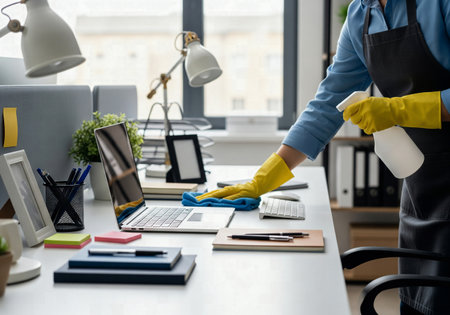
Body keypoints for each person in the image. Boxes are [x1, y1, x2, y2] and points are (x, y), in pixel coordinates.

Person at [198, 0, 450, 314]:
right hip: (420, 185)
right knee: (417, 301)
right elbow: (328, 103)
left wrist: (399, 109)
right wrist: (264, 179)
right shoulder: (361, 16)